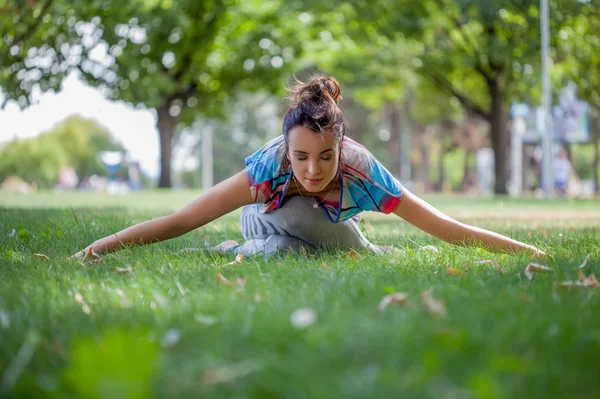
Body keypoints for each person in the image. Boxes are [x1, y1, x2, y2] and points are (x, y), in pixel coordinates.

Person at [69, 75, 546, 261]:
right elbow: (181, 220)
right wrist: (94, 251)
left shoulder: (363, 170)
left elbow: (444, 227)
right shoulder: (267, 167)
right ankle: (356, 251)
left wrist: (531, 251)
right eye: (300, 157)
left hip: (314, 227)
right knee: (302, 221)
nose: (313, 170)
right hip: (264, 212)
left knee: (286, 252)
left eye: (325, 157)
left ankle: (246, 250)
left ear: (342, 149)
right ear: (286, 150)